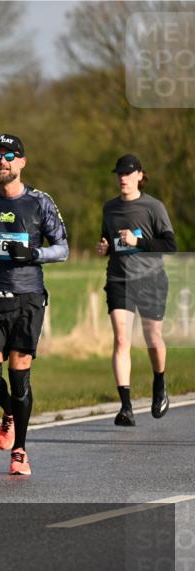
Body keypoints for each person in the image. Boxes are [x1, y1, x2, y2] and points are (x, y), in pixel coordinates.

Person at [0, 134, 69, 476]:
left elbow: (63, 248)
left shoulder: (39, 203)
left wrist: (34, 254)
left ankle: (20, 451)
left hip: (27, 300)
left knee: (20, 376)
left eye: (9, 156)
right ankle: (9, 411)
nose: (2, 161)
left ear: (22, 162)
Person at [96, 154, 176, 426]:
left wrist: (138, 241)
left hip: (151, 279)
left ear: (140, 175)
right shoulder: (109, 208)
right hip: (119, 279)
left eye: (128, 174)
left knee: (153, 338)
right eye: (119, 174)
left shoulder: (154, 207)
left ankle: (159, 381)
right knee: (121, 340)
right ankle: (126, 407)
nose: (123, 178)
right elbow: (106, 238)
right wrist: (103, 247)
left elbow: (169, 245)